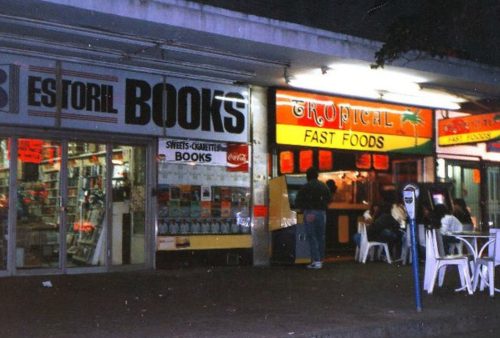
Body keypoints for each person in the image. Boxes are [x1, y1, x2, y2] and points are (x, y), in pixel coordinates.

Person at [295, 167, 332, 269]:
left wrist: (304, 208)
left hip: (310, 212)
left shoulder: (306, 187)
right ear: (317, 176)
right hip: (322, 213)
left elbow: (298, 201)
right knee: (321, 236)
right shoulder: (323, 186)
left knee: (312, 236)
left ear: (307, 176)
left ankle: (316, 261)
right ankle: (320, 259)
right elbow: (329, 198)